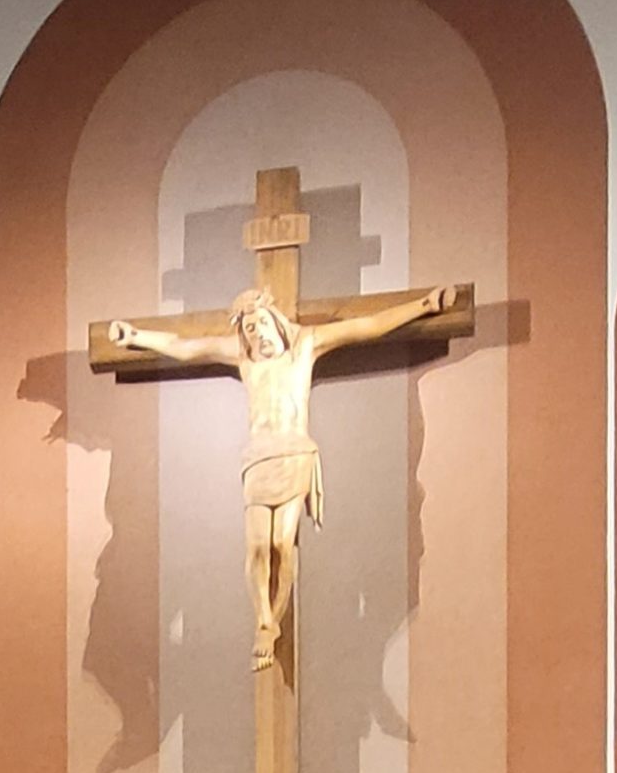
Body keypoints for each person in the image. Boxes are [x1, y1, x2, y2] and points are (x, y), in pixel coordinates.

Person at [108, 281, 459, 672]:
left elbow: (367, 326)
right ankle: (264, 621)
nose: (258, 333)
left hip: (294, 453)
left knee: (281, 544)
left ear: (276, 321)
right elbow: (188, 347)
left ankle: (272, 619)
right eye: (249, 329)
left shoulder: (305, 346)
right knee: (257, 547)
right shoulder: (244, 360)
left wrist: (423, 305)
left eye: (262, 323)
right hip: (258, 458)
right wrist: (136, 336)